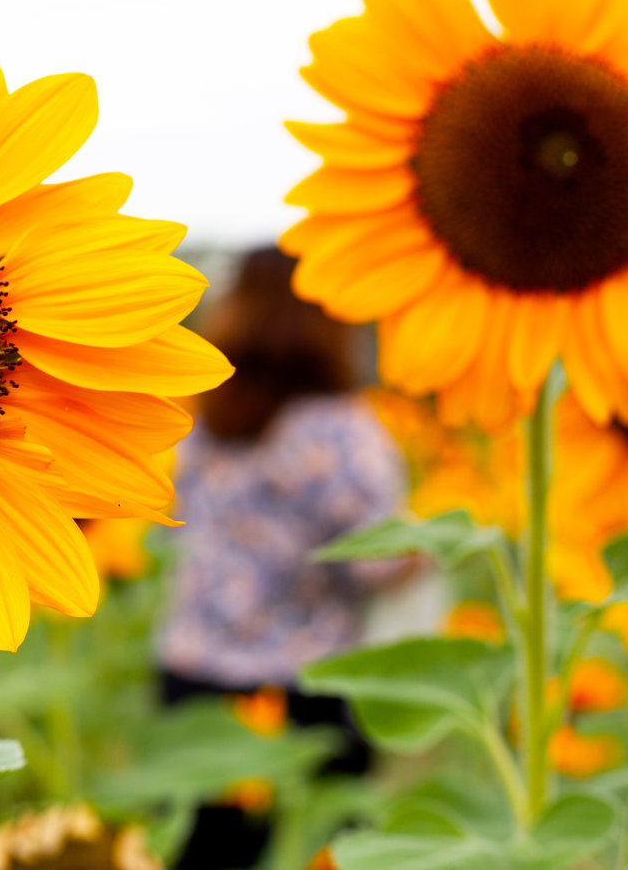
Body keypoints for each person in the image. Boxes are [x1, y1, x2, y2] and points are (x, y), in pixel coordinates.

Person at [155, 246, 410, 869]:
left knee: (199, 852)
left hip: (191, 670)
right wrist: (422, 557)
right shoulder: (340, 429)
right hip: (306, 683)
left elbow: (166, 525)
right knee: (311, 850)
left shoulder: (199, 414)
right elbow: (375, 560)